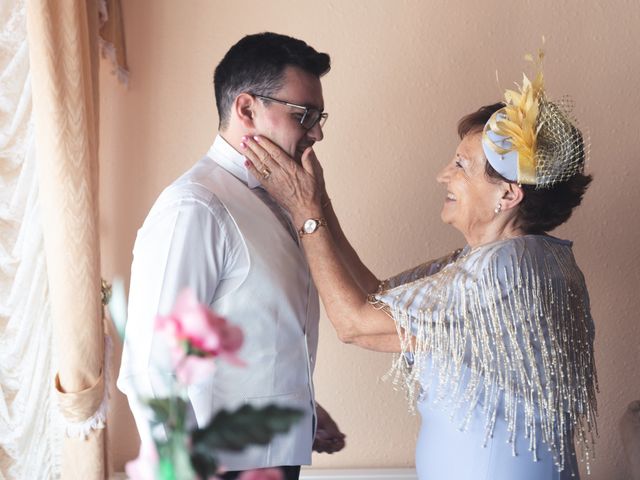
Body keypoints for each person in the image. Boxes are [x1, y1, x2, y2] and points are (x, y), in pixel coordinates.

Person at [242, 62, 598, 479]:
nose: (443, 174)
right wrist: (317, 200)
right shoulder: (520, 258)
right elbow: (378, 294)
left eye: (462, 166)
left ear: (508, 193)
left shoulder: (504, 272)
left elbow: (355, 323)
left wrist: (304, 212)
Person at [117, 32, 345, 480]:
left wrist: (298, 407)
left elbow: (254, 330)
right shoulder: (195, 207)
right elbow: (152, 366)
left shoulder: (279, 200)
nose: (316, 132)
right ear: (246, 109)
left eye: (320, 116)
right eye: (305, 115)